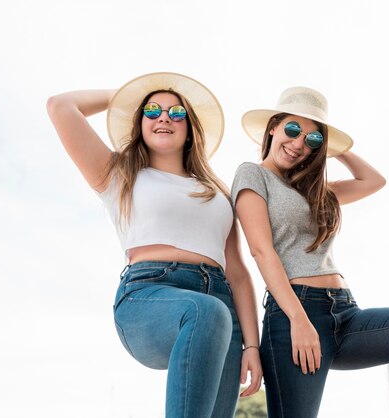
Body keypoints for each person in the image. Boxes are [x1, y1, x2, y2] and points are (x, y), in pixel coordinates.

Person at [231, 86, 389, 418]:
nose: (298, 143)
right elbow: (261, 252)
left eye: (312, 139)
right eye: (292, 129)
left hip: (347, 316)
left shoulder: (318, 192)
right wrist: (299, 319)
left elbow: (372, 180)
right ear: (273, 126)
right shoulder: (252, 174)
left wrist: (335, 148)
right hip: (296, 314)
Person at [47, 72, 262, 418]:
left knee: (212, 317)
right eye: (152, 111)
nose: (164, 117)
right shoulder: (119, 174)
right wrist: (130, 94)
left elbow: (237, 271)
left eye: (177, 113)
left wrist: (251, 343)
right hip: (148, 296)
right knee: (205, 312)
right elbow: (60, 106)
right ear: (140, 121)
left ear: (190, 128)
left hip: (222, 309)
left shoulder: (218, 191)